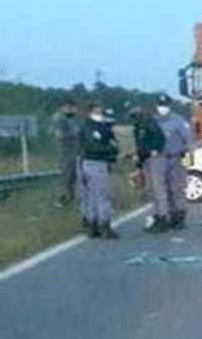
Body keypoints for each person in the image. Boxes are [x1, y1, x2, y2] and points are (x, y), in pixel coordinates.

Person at [79, 101, 120, 239]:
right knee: (101, 195)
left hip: (88, 163)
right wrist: (112, 149)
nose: (100, 114)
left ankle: (92, 225)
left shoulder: (95, 127)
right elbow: (95, 146)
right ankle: (104, 225)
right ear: (90, 112)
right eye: (97, 111)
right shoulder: (91, 128)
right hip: (96, 162)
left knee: (91, 196)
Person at [153, 95, 194, 229]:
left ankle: (179, 217)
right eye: (160, 105)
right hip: (159, 159)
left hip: (176, 158)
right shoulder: (154, 121)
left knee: (177, 188)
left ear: (170, 106)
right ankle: (167, 215)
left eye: (165, 105)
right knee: (162, 189)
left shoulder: (179, 121)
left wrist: (188, 161)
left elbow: (188, 141)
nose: (162, 108)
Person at [130, 106, 170, 233]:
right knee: (152, 190)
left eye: (135, 116)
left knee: (158, 189)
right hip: (146, 158)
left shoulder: (149, 125)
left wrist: (155, 150)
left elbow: (160, 140)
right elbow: (140, 145)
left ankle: (162, 218)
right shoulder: (138, 128)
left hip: (155, 159)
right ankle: (157, 216)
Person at [51, 99, 82, 206]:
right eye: (69, 108)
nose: (73, 110)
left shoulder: (68, 119)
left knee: (72, 176)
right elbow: (58, 135)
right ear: (62, 107)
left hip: (72, 151)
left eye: (73, 108)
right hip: (66, 151)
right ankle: (64, 198)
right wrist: (75, 133)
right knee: (67, 175)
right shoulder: (59, 118)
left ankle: (70, 198)